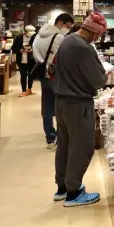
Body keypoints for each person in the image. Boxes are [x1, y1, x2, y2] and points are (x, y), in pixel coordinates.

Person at [51, 12, 109, 207]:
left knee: (65, 144)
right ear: (94, 31)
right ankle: (73, 192)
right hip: (79, 103)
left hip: (61, 101)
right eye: (99, 34)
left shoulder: (67, 41)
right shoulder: (84, 48)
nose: (98, 38)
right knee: (82, 146)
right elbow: (99, 79)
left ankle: (62, 187)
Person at [33, 13, 75, 149]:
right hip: (56, 76)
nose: (68, 29)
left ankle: (50, 138)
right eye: (68, 26)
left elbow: (36, 54)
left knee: (48, 108)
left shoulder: (39, 36)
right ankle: (62, 137)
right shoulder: (59, 37)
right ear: (61, 23)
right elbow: (64, 58)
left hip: (43, 76)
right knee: (62, 107)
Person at [11, 25, 37, 97]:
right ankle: (24, 90)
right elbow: (13, 48)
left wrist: (32, 50)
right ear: (25, 32)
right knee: (23, 75)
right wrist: (20, 50)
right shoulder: (19, 38)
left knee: (31, 75)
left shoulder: (34, 38)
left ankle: (29, 89)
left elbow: (37, 48)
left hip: (31, 60)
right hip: (21, 60)